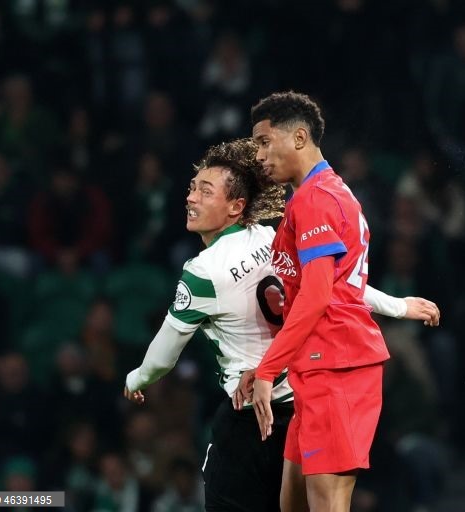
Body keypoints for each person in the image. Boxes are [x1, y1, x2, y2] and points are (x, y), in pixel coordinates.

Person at [123, 138, 440, 512]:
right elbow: (334, 286)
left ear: (236, 206)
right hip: (302, 411)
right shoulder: (271, 237)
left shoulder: (202, 273)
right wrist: (398, 306)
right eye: (192, 188)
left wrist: (136, 380)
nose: (190, 198)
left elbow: (162, 357)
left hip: (251, 418)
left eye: (205, 192)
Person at [249, 91, 391, 511]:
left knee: (327, 505)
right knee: (291, 503)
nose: (258, 155)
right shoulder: (317, 194)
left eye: (262, 141)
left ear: (297, 137)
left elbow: (316, 294)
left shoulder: (316, 199)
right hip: (318, 366)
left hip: (337, 366)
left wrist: (267, 368)